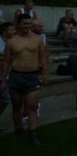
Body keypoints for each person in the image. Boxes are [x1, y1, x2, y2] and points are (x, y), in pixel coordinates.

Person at [0, 14, 47, 145]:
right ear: (19, 24)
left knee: (32, 107)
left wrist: (45, 74)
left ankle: (33, 134)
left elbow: (43, 57)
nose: (27, 26)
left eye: (29, 24)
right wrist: (3, 80)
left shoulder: (38, 39)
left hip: (32, 77)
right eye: (25, 24)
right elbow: (7, 62)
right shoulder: (12, 41)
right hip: (16, 77)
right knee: (16, 107)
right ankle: (18, 131)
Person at [0, 22, 16, 131]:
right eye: (11, 30)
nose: (14, 31)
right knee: (5, 98)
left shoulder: (12, 42)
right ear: (5, 31)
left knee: (5, 99)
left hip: (7, 74)